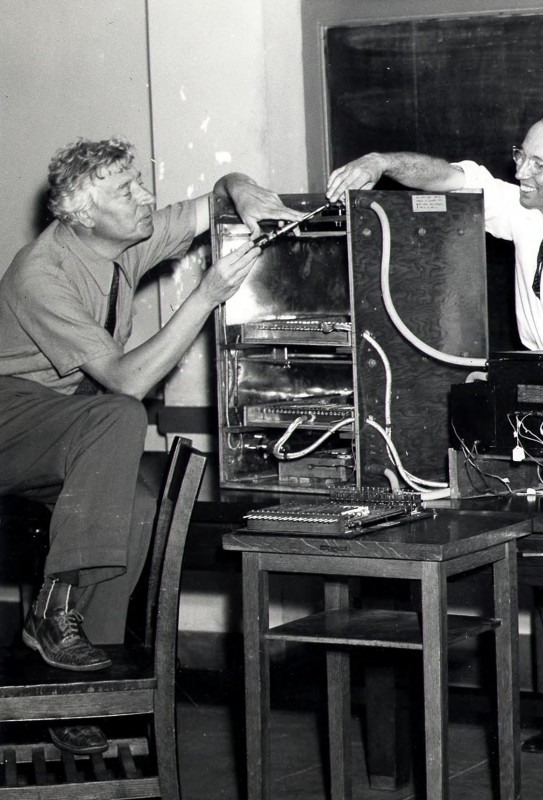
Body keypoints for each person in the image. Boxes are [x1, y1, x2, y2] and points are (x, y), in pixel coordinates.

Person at [326, 111, 543, 752]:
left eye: (538, 164)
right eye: (521, 156)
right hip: (535, 393)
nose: (520, 171)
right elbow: (452, 176)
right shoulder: (522, 208)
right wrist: (379, 163)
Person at [0, 136, 301, 756]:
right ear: (82, 214)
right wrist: (206, 296)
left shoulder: (125, 240)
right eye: (126, 191)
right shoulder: (42, 272)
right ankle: (52, 610)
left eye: (140, 183)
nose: (146, 198)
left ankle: (82, 685)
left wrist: (241, 187)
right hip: (10, 418)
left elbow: (211, 199)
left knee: (135, 508)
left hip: (66, 420)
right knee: (119, 414)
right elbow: (127, 382)